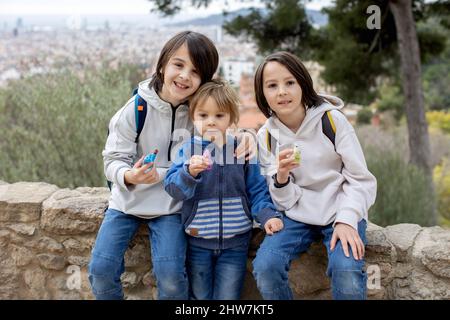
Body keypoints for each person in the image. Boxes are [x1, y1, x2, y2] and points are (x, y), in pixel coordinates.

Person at [88, 31, 256, 300]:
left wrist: (249, 137)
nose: (185, 76)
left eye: (196, 71)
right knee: (101, 270)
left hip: (172, 206)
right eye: (179, 65)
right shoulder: (136, 110)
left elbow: (225, 134)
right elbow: (112, 160)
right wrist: (130, 175)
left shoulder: (199, 113)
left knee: (172, 277)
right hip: (126, 202)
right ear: (163, 64)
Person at [251, 51, 377, 300]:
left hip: (340, 209)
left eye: (290, 83)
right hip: (296, 216)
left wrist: (347, 219)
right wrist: (282, 178)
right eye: (272, 86)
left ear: (302, 83)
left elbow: (361, 179)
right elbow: (283, 202)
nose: (282, 92)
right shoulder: (265, 136)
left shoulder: (332, 121)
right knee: (266, 266)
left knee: (347, 270)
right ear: (262, 93)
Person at [164, 79, 283, 300]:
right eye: (203, 116)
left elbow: (257, 190)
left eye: (219, 116)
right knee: (200, 297)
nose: (211, 122)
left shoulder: (242, 149)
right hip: (197, 242)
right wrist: (189, 173)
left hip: (236, 243)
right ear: (193, 117)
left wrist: (267, 216)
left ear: (231, 118)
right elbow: (173, 188)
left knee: (228, 297)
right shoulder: (187, 149)